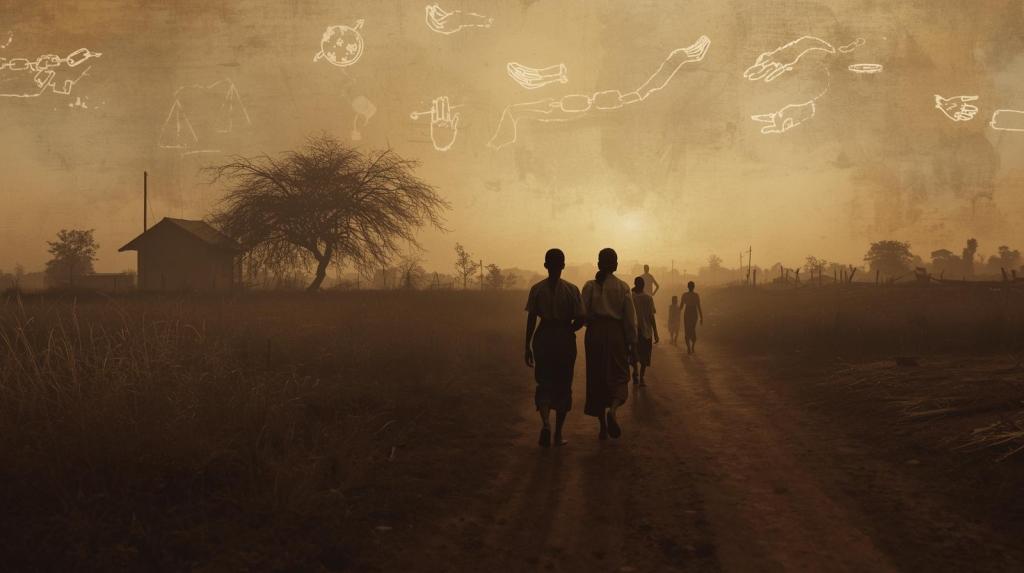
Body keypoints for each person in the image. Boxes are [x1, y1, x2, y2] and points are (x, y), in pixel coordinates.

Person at [525, 248, 585, 448]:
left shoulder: (537, 289)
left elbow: (532, 319)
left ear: (545, 266)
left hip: (543, 338)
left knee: (544, 381)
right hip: (564, 339)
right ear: (563, 266)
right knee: (563, 385)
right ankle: (558, 434)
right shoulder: (572, 289)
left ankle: (545, 423)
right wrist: (570, 328)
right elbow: (581, 318)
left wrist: (527, 346)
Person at [582, 248, 637, 440]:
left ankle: (602, 428)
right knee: (620, 375)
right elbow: (630, 321)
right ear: (615, 265)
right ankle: (613, 410)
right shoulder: (623, 287)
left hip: (594, 334)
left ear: (598, 264)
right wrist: (631, 343)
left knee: (597, 377)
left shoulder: (589, 286)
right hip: (616, 334)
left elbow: (583, 313)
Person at [631, 277, 659, 386]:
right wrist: (656, 333)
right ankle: (641, 377)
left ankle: (635, 372)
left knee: (634, 354)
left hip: (634, 331)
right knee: (645, 356)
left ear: (635, 284)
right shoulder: (648, 298)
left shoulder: (631, 297)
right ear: (643, 285)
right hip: (646, 331)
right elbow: (651, 317)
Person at [680, 281, 703, 355]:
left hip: (687, 312)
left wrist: (676, 314)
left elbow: (681, 307)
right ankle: (692, 347)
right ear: (694, 287)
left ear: (688, 286)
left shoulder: (684, 295)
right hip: (694, 313)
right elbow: (698, 306)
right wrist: (701, 317)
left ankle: (689, 348)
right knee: (692, 330)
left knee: (687, 330)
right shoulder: (696, 295)